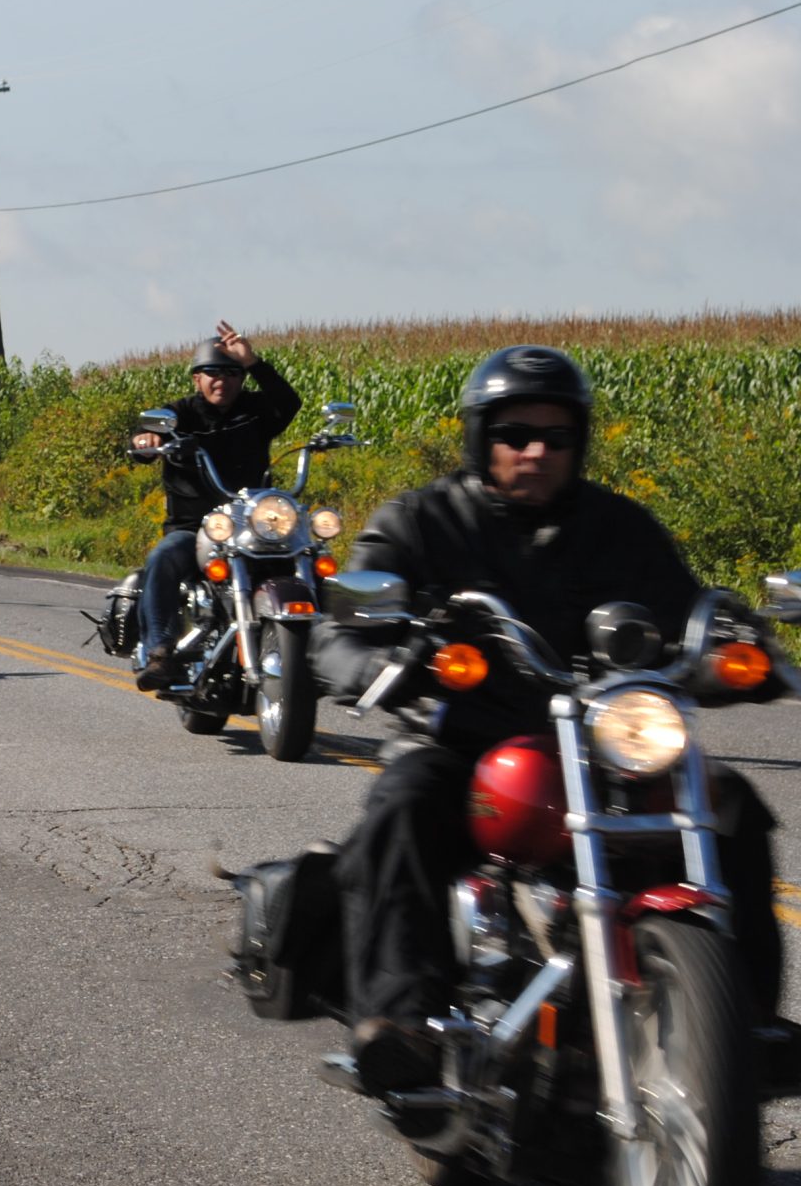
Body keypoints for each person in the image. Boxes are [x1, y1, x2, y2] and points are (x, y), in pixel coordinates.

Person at [310, 345, 787, 1093]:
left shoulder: (620, 528)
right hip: (466, 744)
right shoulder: (422, 520)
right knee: (403, 802)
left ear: (578, 442)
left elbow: (688, 610)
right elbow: (339, 624)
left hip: (604, 751)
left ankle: (744, 1023)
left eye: (556, 436)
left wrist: (740, 648)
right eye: (515, 434)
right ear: (482, 438)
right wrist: (377, 664)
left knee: (731, 806)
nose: (535, 451)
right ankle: (400, 1020)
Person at [127, 322, 301, 690]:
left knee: (305, 552)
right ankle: (160, 651)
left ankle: (312, 646)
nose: (222, 381)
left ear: (241, 379)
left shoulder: (256, 411)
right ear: (197, 379)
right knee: (163, 557)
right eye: (212, 373)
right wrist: (147, 440)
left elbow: (289, 403)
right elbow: (144, 439)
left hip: (250, 526)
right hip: (193, 528)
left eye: (231, 373)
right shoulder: (179, 415)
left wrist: (252, 361)